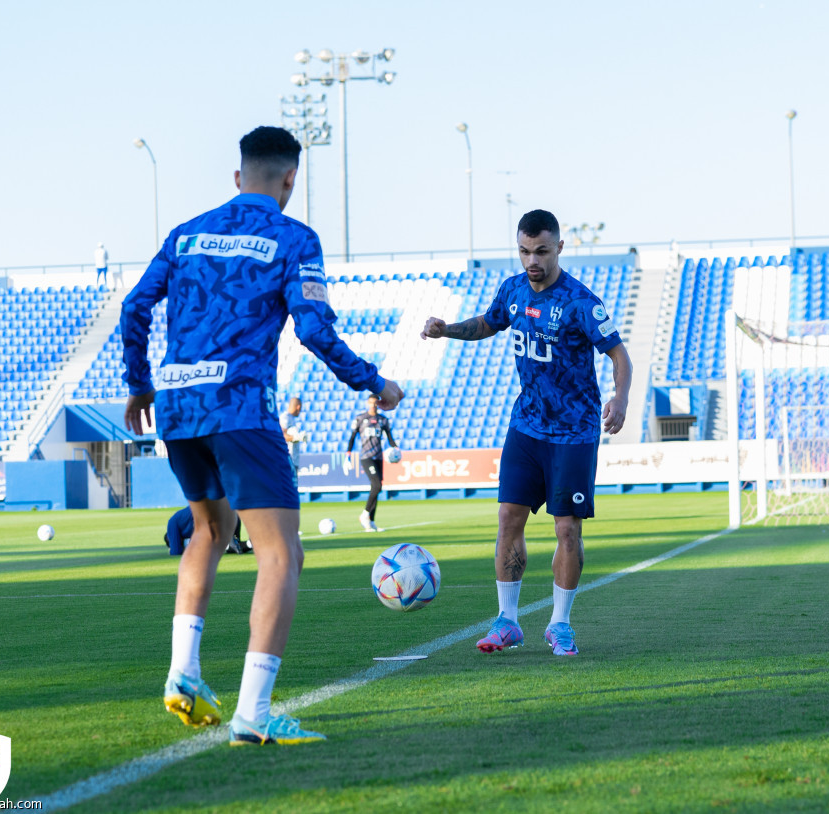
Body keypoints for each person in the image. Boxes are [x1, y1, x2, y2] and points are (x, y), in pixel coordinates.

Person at [122, 125, 404, 746]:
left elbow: (134, 306)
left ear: (237, 176)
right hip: (241, 406)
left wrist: (139, 384)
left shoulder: (186, 233)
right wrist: (374, 381)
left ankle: (184, 673)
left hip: (177, 404)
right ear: (290, 180)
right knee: (281, 553)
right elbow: (314, 330)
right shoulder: (293, 237)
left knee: (209, 532)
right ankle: (253, 711)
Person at [421, 209, 631, 657]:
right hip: (526, 425)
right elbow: (488, 323)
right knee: (508, 518)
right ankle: (507, 621)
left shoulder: (581, 302)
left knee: (567, 530)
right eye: (524, 251)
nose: (532, 260)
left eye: (541, 251)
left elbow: (619, 355)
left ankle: (560, 624)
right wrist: (446, 331)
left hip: (573, 432)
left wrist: (621, 397)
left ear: (559, 248)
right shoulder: (512, 289)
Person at [346, 392, 398, 532]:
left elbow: (390, 437)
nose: (373, 405)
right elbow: (352, 437)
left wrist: (396, 448)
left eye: (375, 403)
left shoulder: (383, 420)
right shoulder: (360, 418)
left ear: (378, 404)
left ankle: (372, 521)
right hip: (366, 457)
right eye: (371, 402)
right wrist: (348, 454)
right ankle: (365, 514)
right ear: (367, 403)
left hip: (378, 457)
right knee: (376, 485)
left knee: (377, 487)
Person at [279, 397, 307, 472]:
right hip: (288, 459)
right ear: (298, 407)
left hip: (293, 460)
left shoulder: (291, 418)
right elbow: (282, 435)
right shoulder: (285, 417)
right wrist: (297, 437)